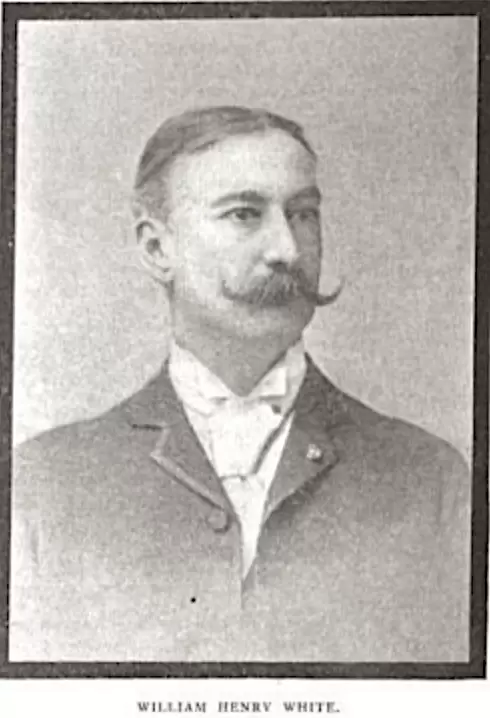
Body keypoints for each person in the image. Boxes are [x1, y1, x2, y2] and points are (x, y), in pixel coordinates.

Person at [11, 106, 470, 662]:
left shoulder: (430, 480)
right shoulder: (43, 487)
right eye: (244, 214)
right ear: (157, 248)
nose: (288, 250)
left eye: (303, 214)